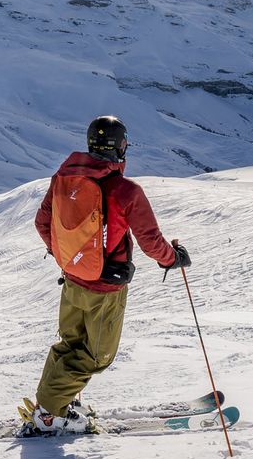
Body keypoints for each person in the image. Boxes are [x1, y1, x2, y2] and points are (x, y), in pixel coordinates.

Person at [19, 115, 191, 435]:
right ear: (120, 148)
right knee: (97, 356)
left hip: (72, 279)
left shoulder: (63, 179)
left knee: (70, 344)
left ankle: (55, 403)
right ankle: (49, 413)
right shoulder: (126, 191)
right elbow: (151, 242)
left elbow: (43, 224)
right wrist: (172, 260)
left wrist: (70, 256)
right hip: (104, 289)